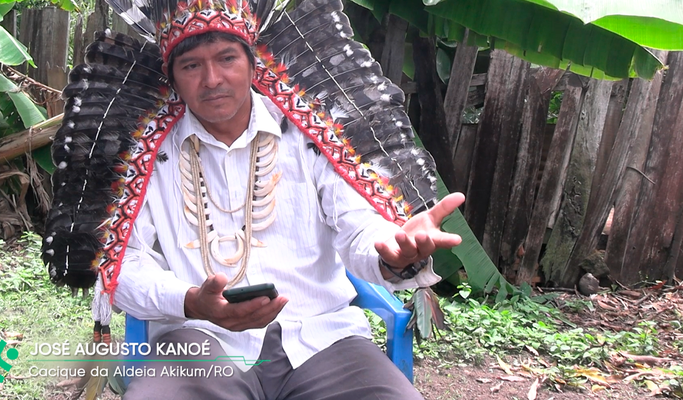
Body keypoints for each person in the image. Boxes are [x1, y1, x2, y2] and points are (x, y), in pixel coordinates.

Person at [108, 26, 466, 400]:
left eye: (227, 58)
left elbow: (358, 226)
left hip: (321, 337)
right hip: (199, 340)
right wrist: (190, 301)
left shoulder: (314, 134)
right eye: (191, 65)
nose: (212, 79)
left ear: (253, 61)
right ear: (173, 78)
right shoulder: (144, 155)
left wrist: (391, 252)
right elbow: (122, 264)